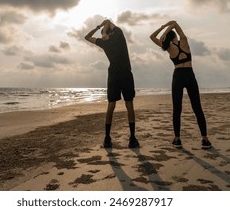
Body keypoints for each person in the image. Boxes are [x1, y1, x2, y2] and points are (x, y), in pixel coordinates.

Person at [150, 20, 211, 149]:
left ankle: (177, 139)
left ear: (168, 38)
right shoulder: (184, 41)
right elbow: (175, 24)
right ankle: (205, 139)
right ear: (175, 36)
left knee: (177, 109)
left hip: (178, 76)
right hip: (190, 75)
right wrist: (167, 27)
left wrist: (162, 29)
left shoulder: (167, 47)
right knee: (197, 108)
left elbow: (151, 37)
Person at [85, 19, 139, 148]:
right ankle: (132, 138)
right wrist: (105, 23)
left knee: (111, 105)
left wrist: (99, 27)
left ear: (105, 33)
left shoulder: (104, 43)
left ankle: (107, 138)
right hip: (125, 73)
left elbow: (87, 37)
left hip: (114, 74)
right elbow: (109, 22)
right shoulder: (119, 34)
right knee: (129, 104)